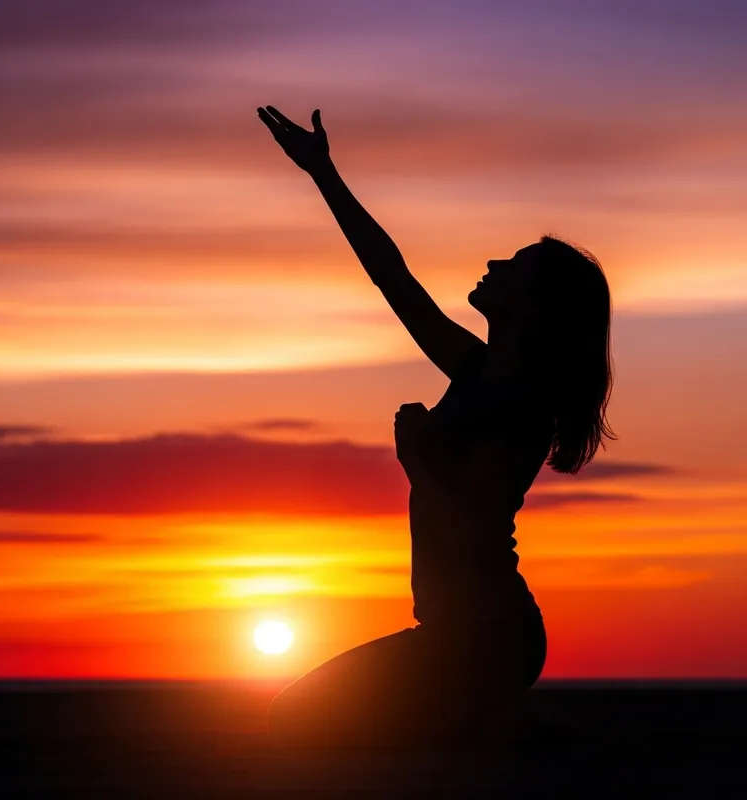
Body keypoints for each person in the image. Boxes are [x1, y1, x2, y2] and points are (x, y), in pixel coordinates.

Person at [256, 106, 616, 748]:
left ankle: (505, 725)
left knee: (299, 730)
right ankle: (496, 722)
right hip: (451, 632)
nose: (494, 264)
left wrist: (414, 457)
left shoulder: (522, 405)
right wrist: (323, 173)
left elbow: (471, 524)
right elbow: (391, 276)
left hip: (485, 636)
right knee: (297, 720)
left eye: (515, 265)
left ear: (535, 308)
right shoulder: (475, 368)